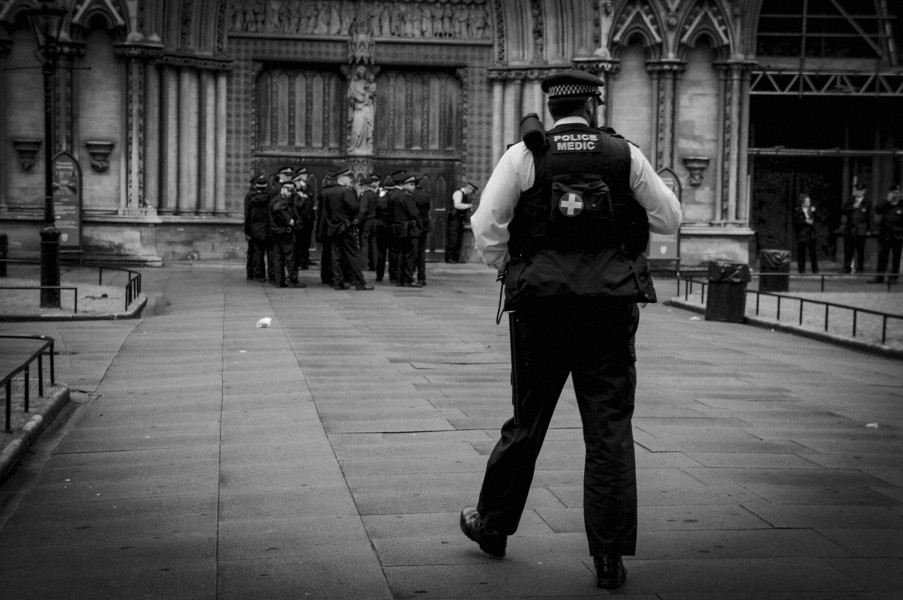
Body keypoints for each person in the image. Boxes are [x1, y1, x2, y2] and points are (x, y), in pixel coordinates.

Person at [462, 69, 681, 590]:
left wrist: (505, 267)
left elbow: (485, 225)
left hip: (542, 309)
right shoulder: (623, 154)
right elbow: (669, 217)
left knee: (527, 419)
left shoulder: (524, 155)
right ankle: (609, 557)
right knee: (608, 429)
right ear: (593, 104)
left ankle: (493, 526)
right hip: (608, 309)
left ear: (553, 108)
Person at [320, 168, 374, 290]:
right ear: (342, 178)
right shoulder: (346, 191)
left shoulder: (327, 191)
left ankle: (338, 282)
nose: (350, 180)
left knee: (336, 256)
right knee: (352, 255)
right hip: (346, 227)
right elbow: (354, 208)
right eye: (348, 177)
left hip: (333, 227)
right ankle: (360, 283)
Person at [390, 172, 423, 287]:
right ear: (405, 185)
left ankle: (400, 279)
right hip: (409, 229)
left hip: (399, 229)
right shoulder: (406, 196)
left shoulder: (395, 195)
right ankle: (409, 279)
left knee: (400, 255)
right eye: (412, 184)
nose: (413, 187)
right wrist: (420, 226)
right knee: (410, 256)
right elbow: (415, 213)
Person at [269, 179, 301, 288]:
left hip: (276, 231)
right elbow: (278, 210)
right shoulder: (282, 200)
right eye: (289, 190)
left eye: (292, 190)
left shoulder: (276, 199)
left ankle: (279, 281)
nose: (290, 193)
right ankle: (292, 280)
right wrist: (289, 220)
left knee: (278, 257)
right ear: (283, 189)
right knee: (290, 256)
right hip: (284, 232)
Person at [869, 184, 903, 284]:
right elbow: (878, 210)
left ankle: (893, 277)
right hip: (885, 234)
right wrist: (887, 200)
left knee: (895, 257)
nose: (896, 195)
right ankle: (879, 277)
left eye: (898, 193)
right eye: (894, 193)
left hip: (897, 234)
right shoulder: (886, 205)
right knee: (882, 257)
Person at [244, 173, 271, 282]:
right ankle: (269, 275)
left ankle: (257, 274)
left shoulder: (250, 197)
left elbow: (247, 215)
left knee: (256, 253)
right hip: (267, 228)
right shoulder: (269, 197)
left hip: (255, 228)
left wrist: (247, 231)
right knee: (269, 252)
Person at [842, 183, 871, 273]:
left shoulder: (867, 202)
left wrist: (869, 230)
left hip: (861, 229)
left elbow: (869, 217)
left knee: (860, 250)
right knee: (848, 249)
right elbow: (843, 210)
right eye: (857, 190)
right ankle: (847, 267)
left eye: (861, 190)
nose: (859, 192)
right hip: (850, 228)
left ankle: (860, 268)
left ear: (864, 191)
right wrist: (852, 207)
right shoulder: (850, 200)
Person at [445, 181, 476, 263]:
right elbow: (457, 205)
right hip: (454, 219)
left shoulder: (464, 195)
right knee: (453, 238)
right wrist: (468, 206)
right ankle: (449, 257)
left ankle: (455, 258)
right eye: (471, 191)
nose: (470, 193)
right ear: (469, 188)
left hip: (459, 219)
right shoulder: (458, 193)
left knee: (458, 238)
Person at [292, 167, 316, 271]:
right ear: (299, 176)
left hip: (308, 219)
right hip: (300, 219)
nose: (306, 175)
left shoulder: (309, 187)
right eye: (304, 174)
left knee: (306, 241)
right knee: (298, 242)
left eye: (306, 174)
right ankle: (298, 261)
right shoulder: (296, 188)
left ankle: (305, 260)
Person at [792, 193, 819, 274]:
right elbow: (795, 222)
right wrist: (805, 221)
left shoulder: (811, 210)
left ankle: (815, 269)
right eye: (807, 202)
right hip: (802, 234)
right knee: (801, 253)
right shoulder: (797, 211)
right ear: (803, 203)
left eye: (809, 202)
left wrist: (814, 212)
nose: (809, 203)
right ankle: (801, 269)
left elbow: (817, 219)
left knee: (813, 253)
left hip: (811, 234)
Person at [359, 173, 381, 270]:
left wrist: (358, 221)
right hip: (375, 221)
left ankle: (363, 265)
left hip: (367, 221)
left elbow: (363, 210)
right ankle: (375, 265)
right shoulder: (377, 195)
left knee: (364, 243)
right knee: (374, 243)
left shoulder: (366, 195)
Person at [413, 178, 433, 285]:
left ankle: (409, 276)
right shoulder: (425, 194)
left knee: (411, 252)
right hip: (424, 225)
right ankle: (421, 277)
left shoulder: (410, 194)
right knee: (421, 252)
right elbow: (428, 208)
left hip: (413, 225)